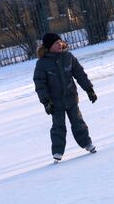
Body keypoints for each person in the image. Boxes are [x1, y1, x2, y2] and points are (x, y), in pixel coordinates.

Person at [33, 33, 98, 162]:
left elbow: (79, 74)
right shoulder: (42, 64)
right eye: (56, 43)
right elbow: (40, 84)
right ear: (49, 47)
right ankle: (57, 151)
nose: (59, 44)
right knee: (58, 127)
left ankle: (87, 143)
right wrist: (46, 101)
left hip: (71, 98)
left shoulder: (68, 57)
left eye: (60, 42)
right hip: (55, 103)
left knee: (78, 122)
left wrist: (89, 89)